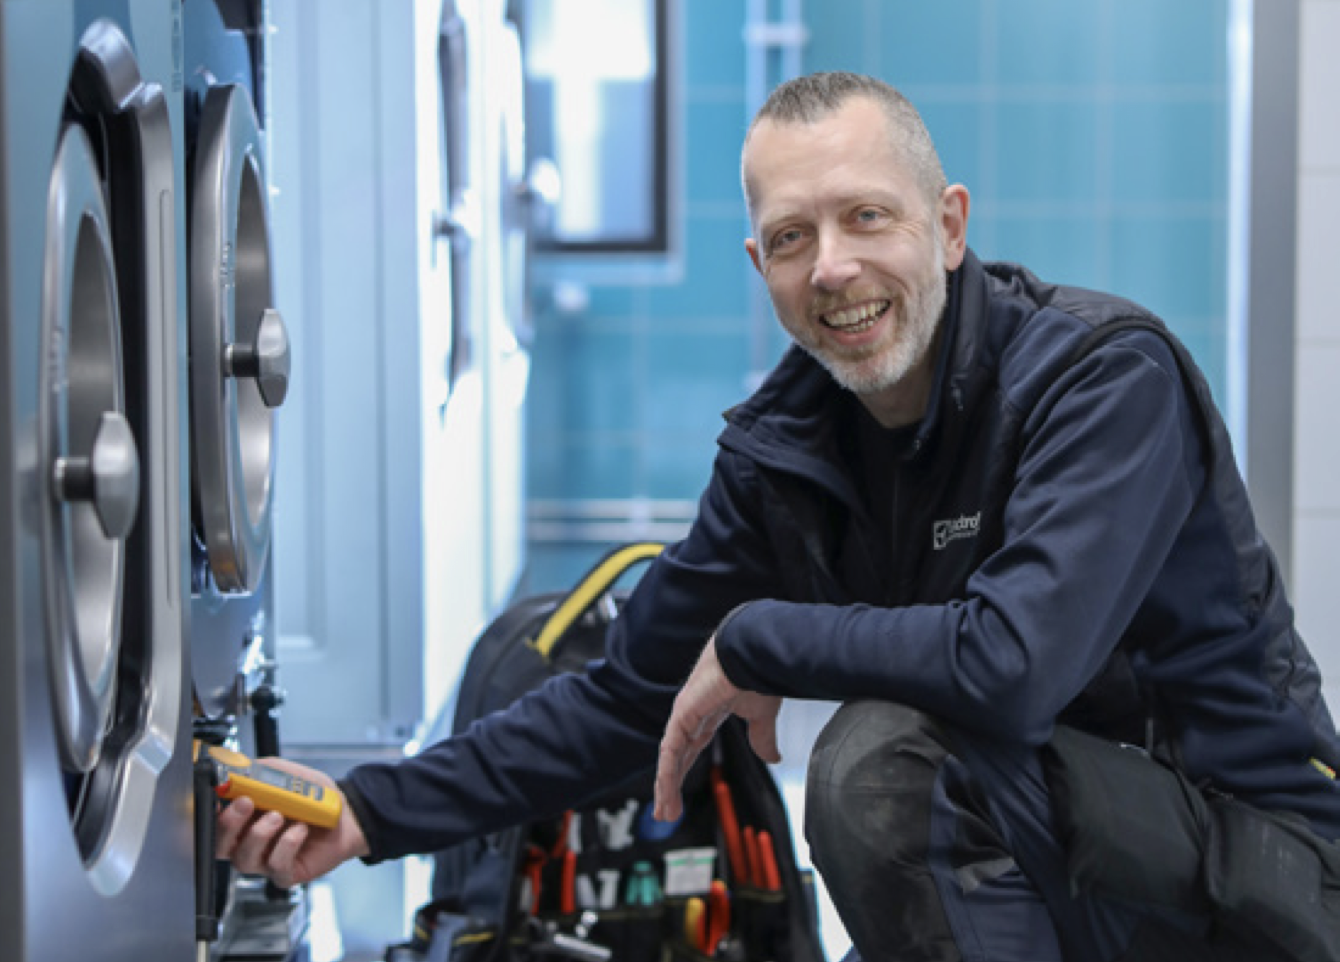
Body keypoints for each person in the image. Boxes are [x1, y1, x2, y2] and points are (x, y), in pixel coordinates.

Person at [219, 71, 1340, 961]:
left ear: (947, 225)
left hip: (1248, 886)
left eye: (867, 217)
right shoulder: (787, 448)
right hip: (1054, 863)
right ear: (760, 263)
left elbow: (1009, 665)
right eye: (793, 237)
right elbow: (625, 699)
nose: (834, 267)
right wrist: (369, 809)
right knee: (885, 765)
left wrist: (758, 637)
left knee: (878, 759)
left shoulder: (1101, 379)